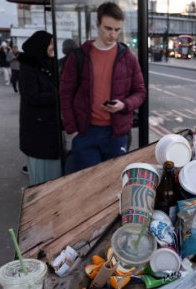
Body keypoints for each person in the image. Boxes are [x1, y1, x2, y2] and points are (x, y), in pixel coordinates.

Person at [60, 2, 146, 173]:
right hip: (85, 133)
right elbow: (65, 94)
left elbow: (140, 92)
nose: (113, 34)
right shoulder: (79, 56)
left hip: (116, 134)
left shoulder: (128, 58)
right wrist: (73, 131)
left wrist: (124, 105)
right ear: (97, 24)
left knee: (113, 184)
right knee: (89, 186)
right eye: (108, 28)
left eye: (117, 30)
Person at [18, 30, 62, 185]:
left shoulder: (48, 63)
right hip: (38, 132)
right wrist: (60, 96)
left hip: (49, 130)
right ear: (41, 45)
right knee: (41, 178)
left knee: (53, 175)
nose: (53, 47)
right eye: (50, 44)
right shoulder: (28, 67)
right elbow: (32, 97)